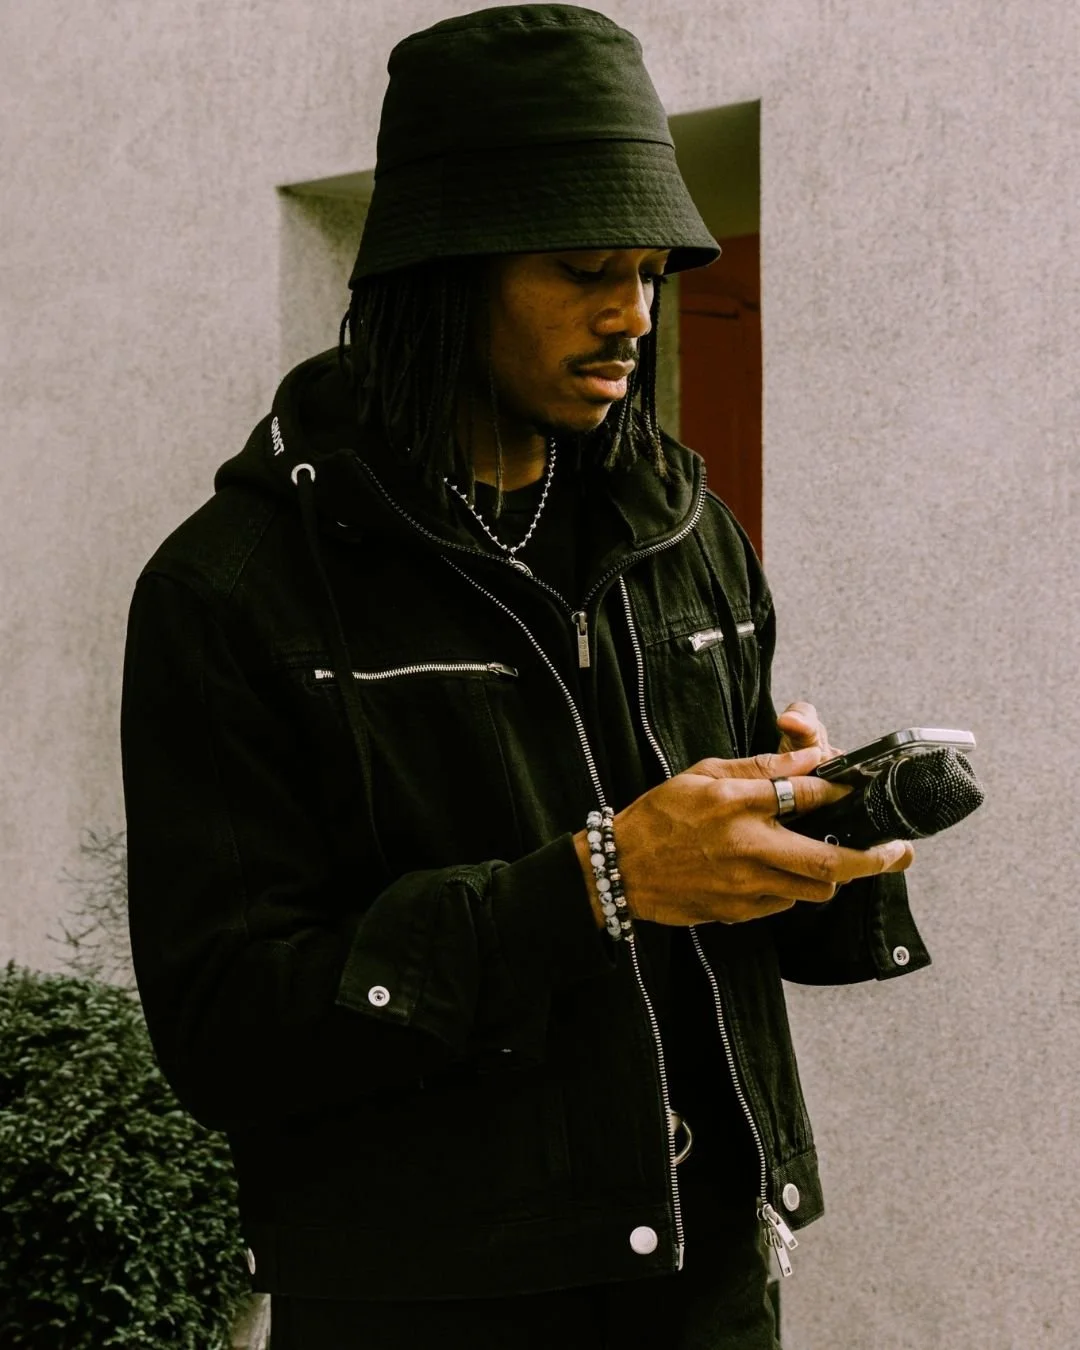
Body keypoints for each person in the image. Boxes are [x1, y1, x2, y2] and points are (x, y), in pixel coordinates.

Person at [120, 6, 929, 1347]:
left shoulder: (684, 530)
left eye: (653, 270)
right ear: (444, 273)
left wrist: (813, 845)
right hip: (426, 1299)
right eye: (582, 269)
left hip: (707, 1278)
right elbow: (226, 1030)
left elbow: (704, 918)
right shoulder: (234, 588)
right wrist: (596, 881)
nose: (634, 314)